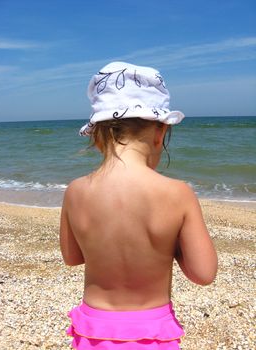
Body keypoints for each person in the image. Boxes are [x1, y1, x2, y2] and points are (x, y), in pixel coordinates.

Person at [60, 62, 218, 350]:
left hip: (93, 332)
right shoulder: (177, 194)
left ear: (96, 136)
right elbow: (203, 274)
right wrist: (171, 245)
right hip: (152, 334)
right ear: (160, 132)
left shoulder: (75, 191)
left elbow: (72, 257)